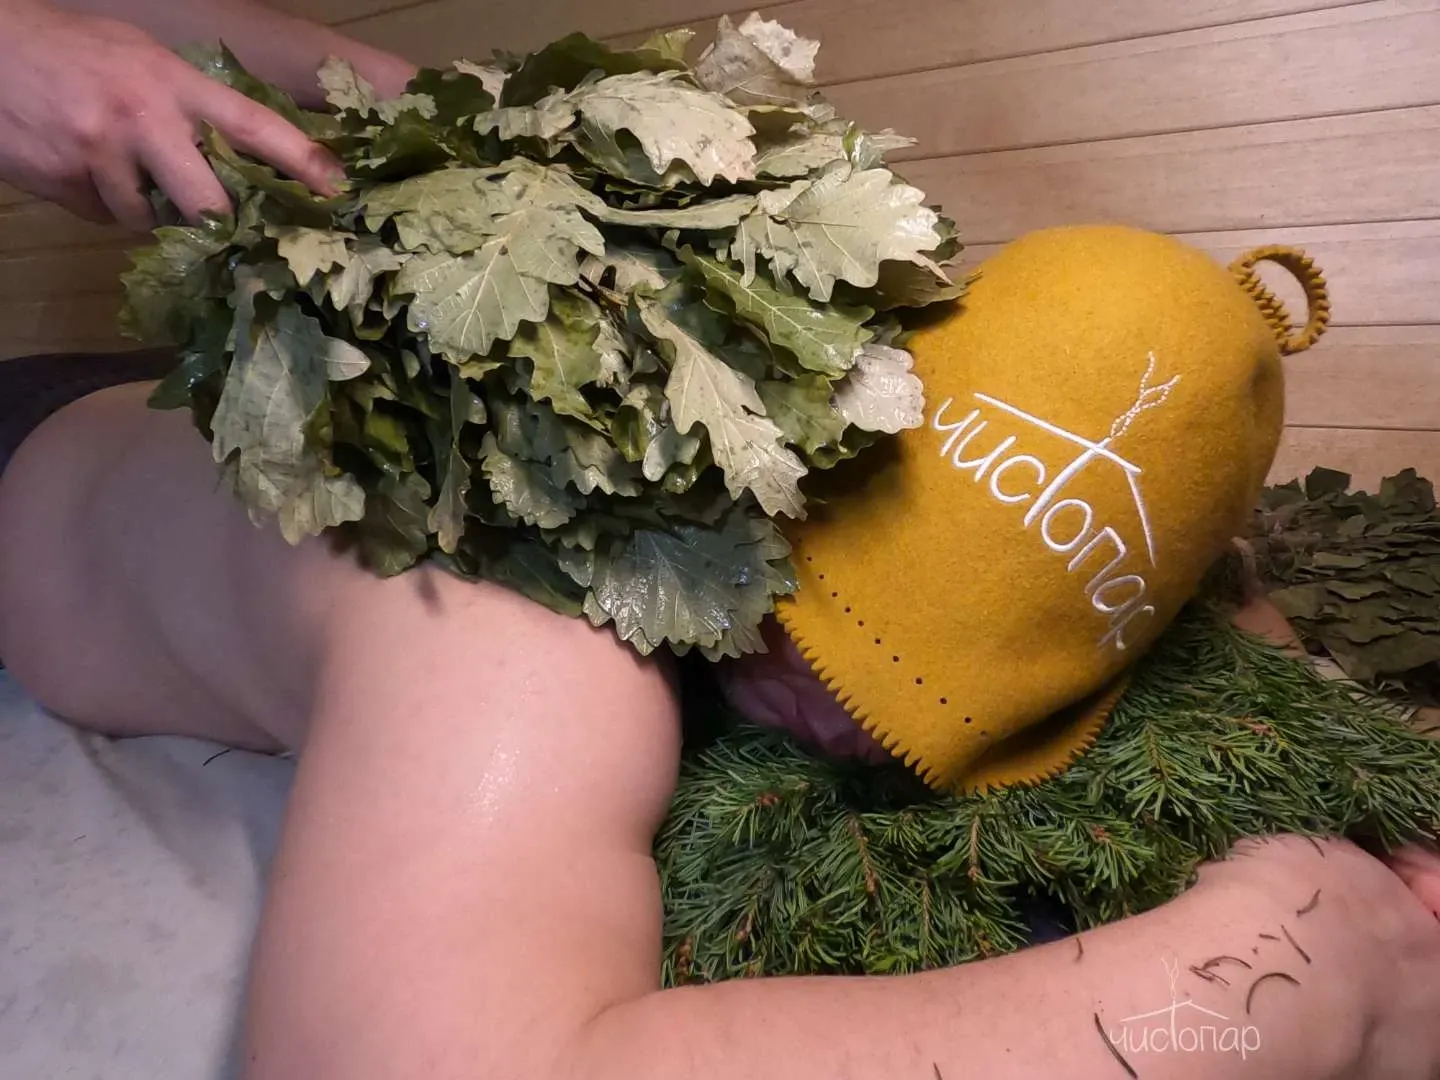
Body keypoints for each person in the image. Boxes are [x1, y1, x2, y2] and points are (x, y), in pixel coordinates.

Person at [4, 4, 1440, 1079]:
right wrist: (1291, 976)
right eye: (838, 626)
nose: (843, 716)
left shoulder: (818, 357)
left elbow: (1171, 577)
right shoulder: (528, 646)